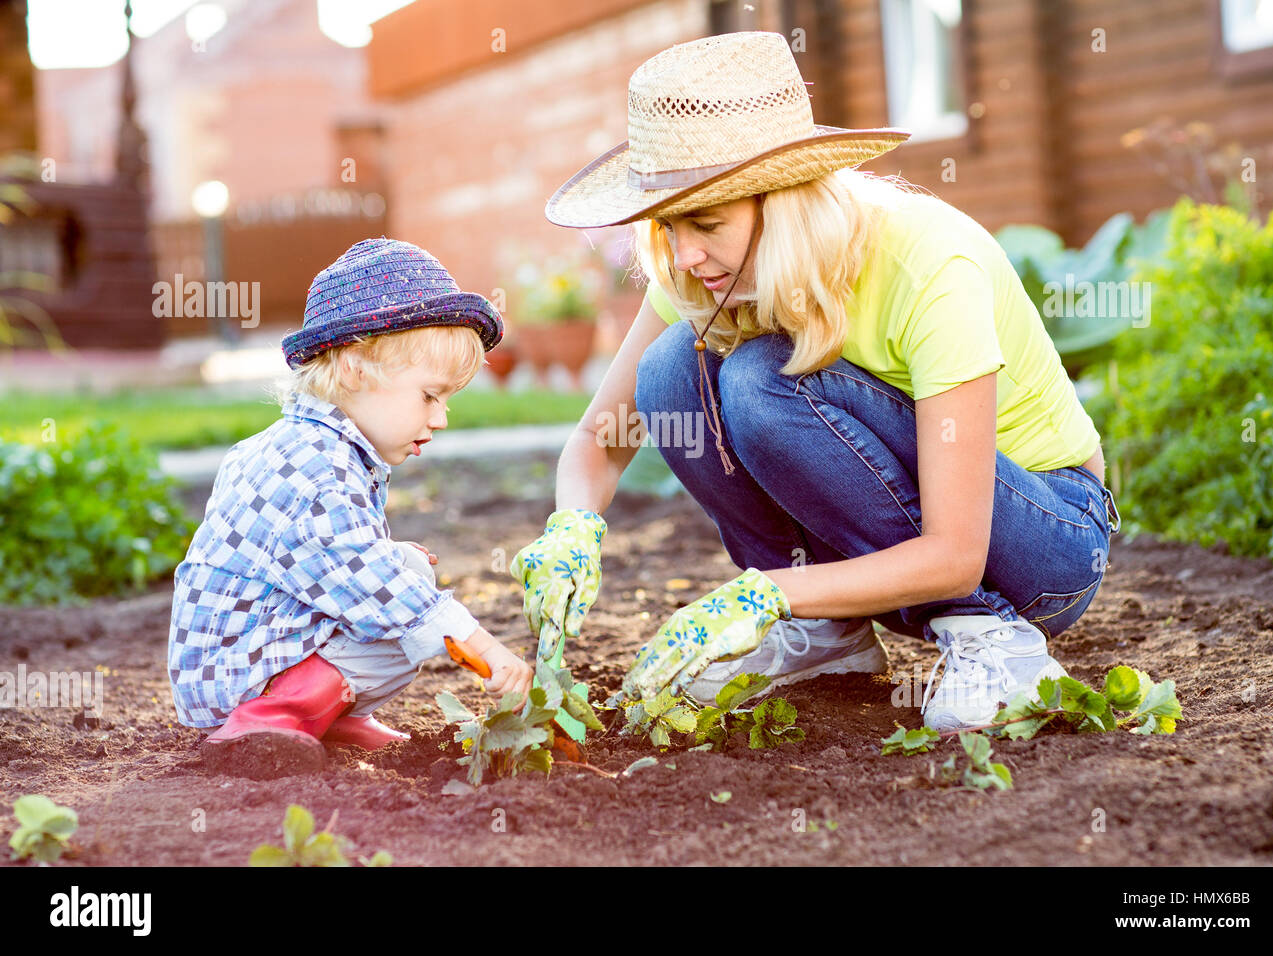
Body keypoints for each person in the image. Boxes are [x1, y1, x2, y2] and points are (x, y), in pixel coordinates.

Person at [510, 31, 1121, 732]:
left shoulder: (927, 262)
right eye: (669, 225)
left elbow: (957, 554)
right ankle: (830, 636)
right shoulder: (700, 270)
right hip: (896, 558)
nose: (684, 253)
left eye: (707, 222)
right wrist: (572, 526)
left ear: (785, 202)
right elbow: (599, 436)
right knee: (672, 367)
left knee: (759, 380)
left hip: (1042, 545)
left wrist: (763, 594)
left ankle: (994, 642)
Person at [169, 238, 532, 771]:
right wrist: (483, 645)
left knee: (405, 569)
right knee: (400, 620)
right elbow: (378, 593)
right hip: (231, 679)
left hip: (236, 657)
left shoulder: (309, 444)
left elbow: (331, 562)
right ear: (356, 369)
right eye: (430, 396)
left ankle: (326, 718)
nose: (441, 419)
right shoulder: (317, 470)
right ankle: (271, 719)